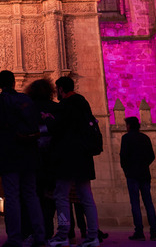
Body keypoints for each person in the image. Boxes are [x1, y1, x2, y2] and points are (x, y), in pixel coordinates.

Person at [0, 70, 45, 247]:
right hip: (28, 152)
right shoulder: (26, 100)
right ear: (15, 82)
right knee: (31, 195)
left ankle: (15, 238)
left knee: (12, 196)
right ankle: (40, 236)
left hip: (8, 153)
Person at [48, 76, 100, 247]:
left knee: (61, 196)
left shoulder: (65, 106)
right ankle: (93, 236)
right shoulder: (84, 103)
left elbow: (56, 128)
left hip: (67, 158)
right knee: (86, 197)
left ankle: (63, 234)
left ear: (61, 89)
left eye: (58, 90)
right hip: (84, 157)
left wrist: (48, 119)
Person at [25, 78, 58, 239]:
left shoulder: (28, 108)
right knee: (50, 196)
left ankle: (35, 230)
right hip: (52, 160)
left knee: (34, 195)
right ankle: (49, 229)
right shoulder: (56, 108)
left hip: (33, 159)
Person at [119, 116, 156, 241]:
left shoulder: (126, 138)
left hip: (132, 175)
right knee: (149, 203)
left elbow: (123, 157)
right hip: (144, 174)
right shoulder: (145, 138)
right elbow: (151, 156)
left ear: (129, 126)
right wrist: (144, 165)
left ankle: (139, 232)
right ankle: (154, 233)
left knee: (135, 203)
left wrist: (127, 170)